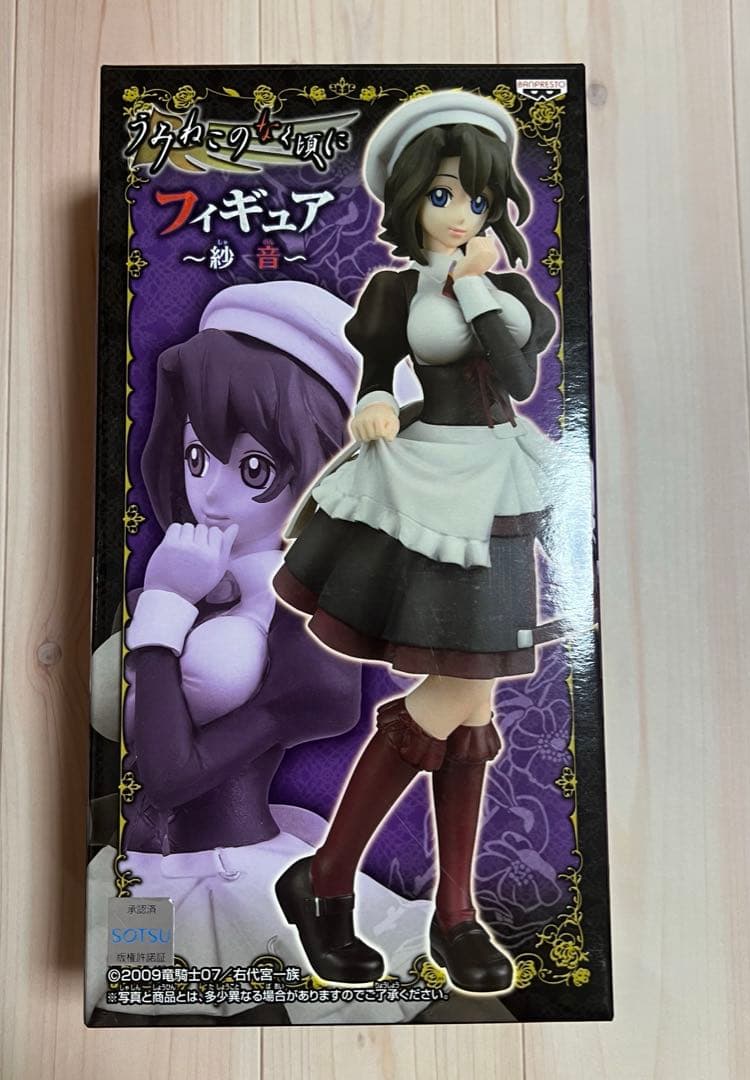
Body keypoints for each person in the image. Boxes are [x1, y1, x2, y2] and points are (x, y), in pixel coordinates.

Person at [273, 91, 559, 994]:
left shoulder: (508, 294)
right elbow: (376, 371)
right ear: (409, 201)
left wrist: (473, 281)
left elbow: (515, 373)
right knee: (464, 696)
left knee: (472, 703)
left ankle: (400, 898)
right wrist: (373, 402)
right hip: (423, 485)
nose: (460, 213)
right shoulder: (395, 291)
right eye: (441, 196)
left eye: (475, 197)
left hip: (495, 489)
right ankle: (372, 895)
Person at [86, 282, 431, 1025]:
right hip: (139, 873)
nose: (209, 496)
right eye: (196, 455)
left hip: (231, 881)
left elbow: (172, 775)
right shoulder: (187, 579)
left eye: (254, 471)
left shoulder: (303, 627)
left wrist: (164, 613)